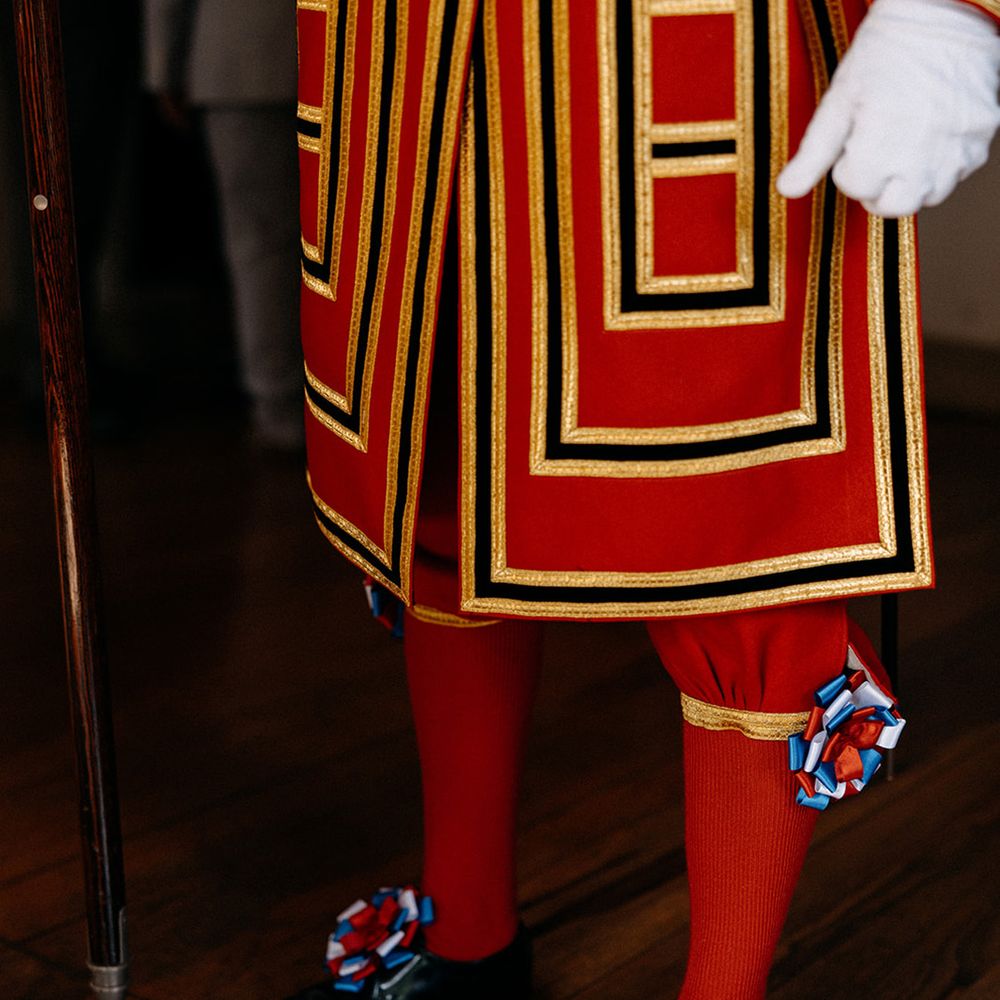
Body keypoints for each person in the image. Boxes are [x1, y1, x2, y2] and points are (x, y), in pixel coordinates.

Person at [288, 0, 1000, 997]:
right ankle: (464, 934)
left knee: (737, 525)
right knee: (436, 465)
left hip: (691, 48)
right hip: (411, 51)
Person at [145, 0, 305, 449]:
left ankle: (279, 407)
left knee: (260, 245)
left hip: (239, 53)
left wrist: (164, 65)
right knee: (353, 243)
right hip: (354, 52)